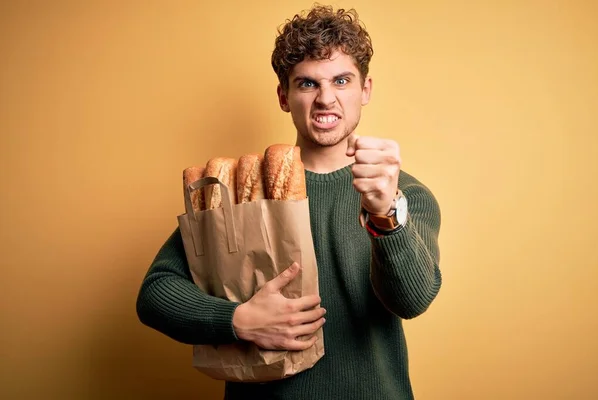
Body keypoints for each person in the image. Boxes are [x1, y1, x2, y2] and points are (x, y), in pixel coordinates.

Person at [136, 4, 442, 399]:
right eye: (308, 84)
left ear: (365, 90)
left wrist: (384, 212)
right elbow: (155, 292)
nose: (326, 99)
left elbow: (411, 300)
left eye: (342, 80)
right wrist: (236, 320)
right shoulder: (246, 190)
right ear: (284, 96)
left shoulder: (407, 195)